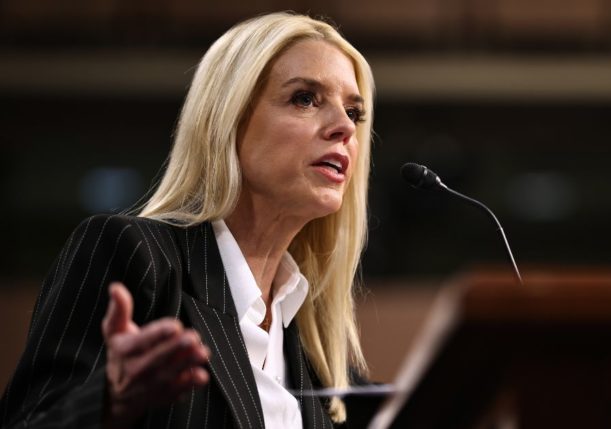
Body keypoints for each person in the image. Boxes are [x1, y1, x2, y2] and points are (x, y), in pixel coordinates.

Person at [0, 11, 375, 429]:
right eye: (305, 98)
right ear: (227, 118)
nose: (344, 127)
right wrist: (105, 403)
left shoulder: (314, 345)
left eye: (355, 113)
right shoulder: (133, 257)